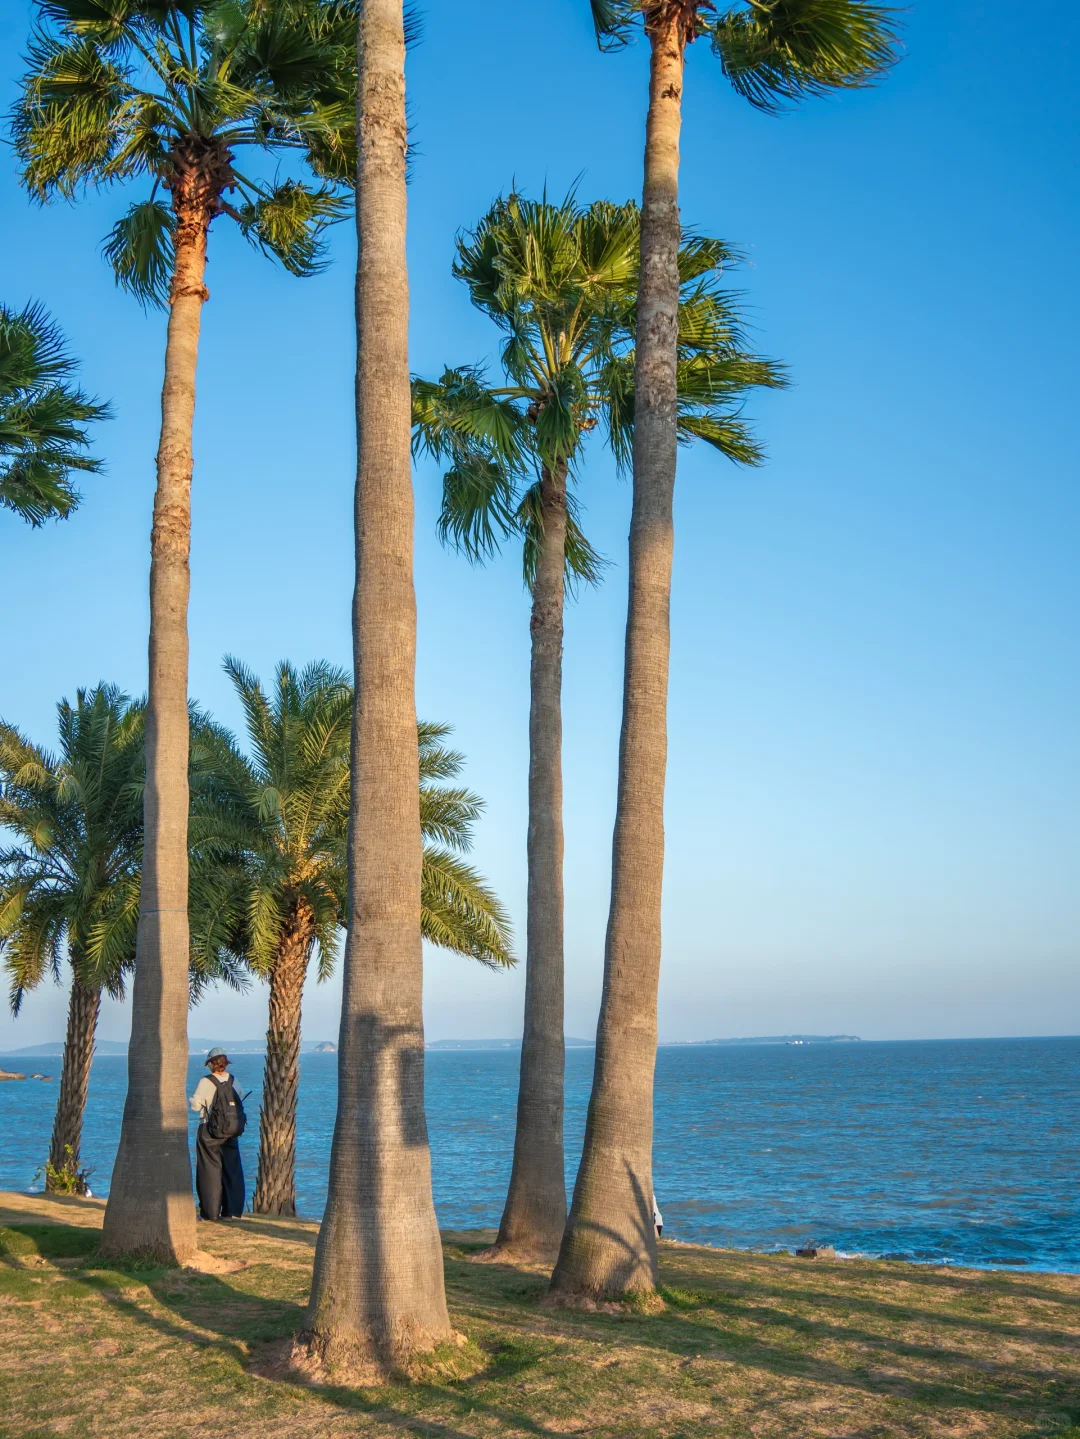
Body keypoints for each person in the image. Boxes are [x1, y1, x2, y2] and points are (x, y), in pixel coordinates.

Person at [190, 1048, 246, 1221]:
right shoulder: (234, 1081)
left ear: (211, 1064)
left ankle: (210, 1213)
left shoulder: (206, 1081)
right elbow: (241, 1096)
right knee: (232, 1170)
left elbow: (196, 1105)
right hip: (231, 1131)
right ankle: (232, 1211)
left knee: (210, 1172)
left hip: (209, 1131)